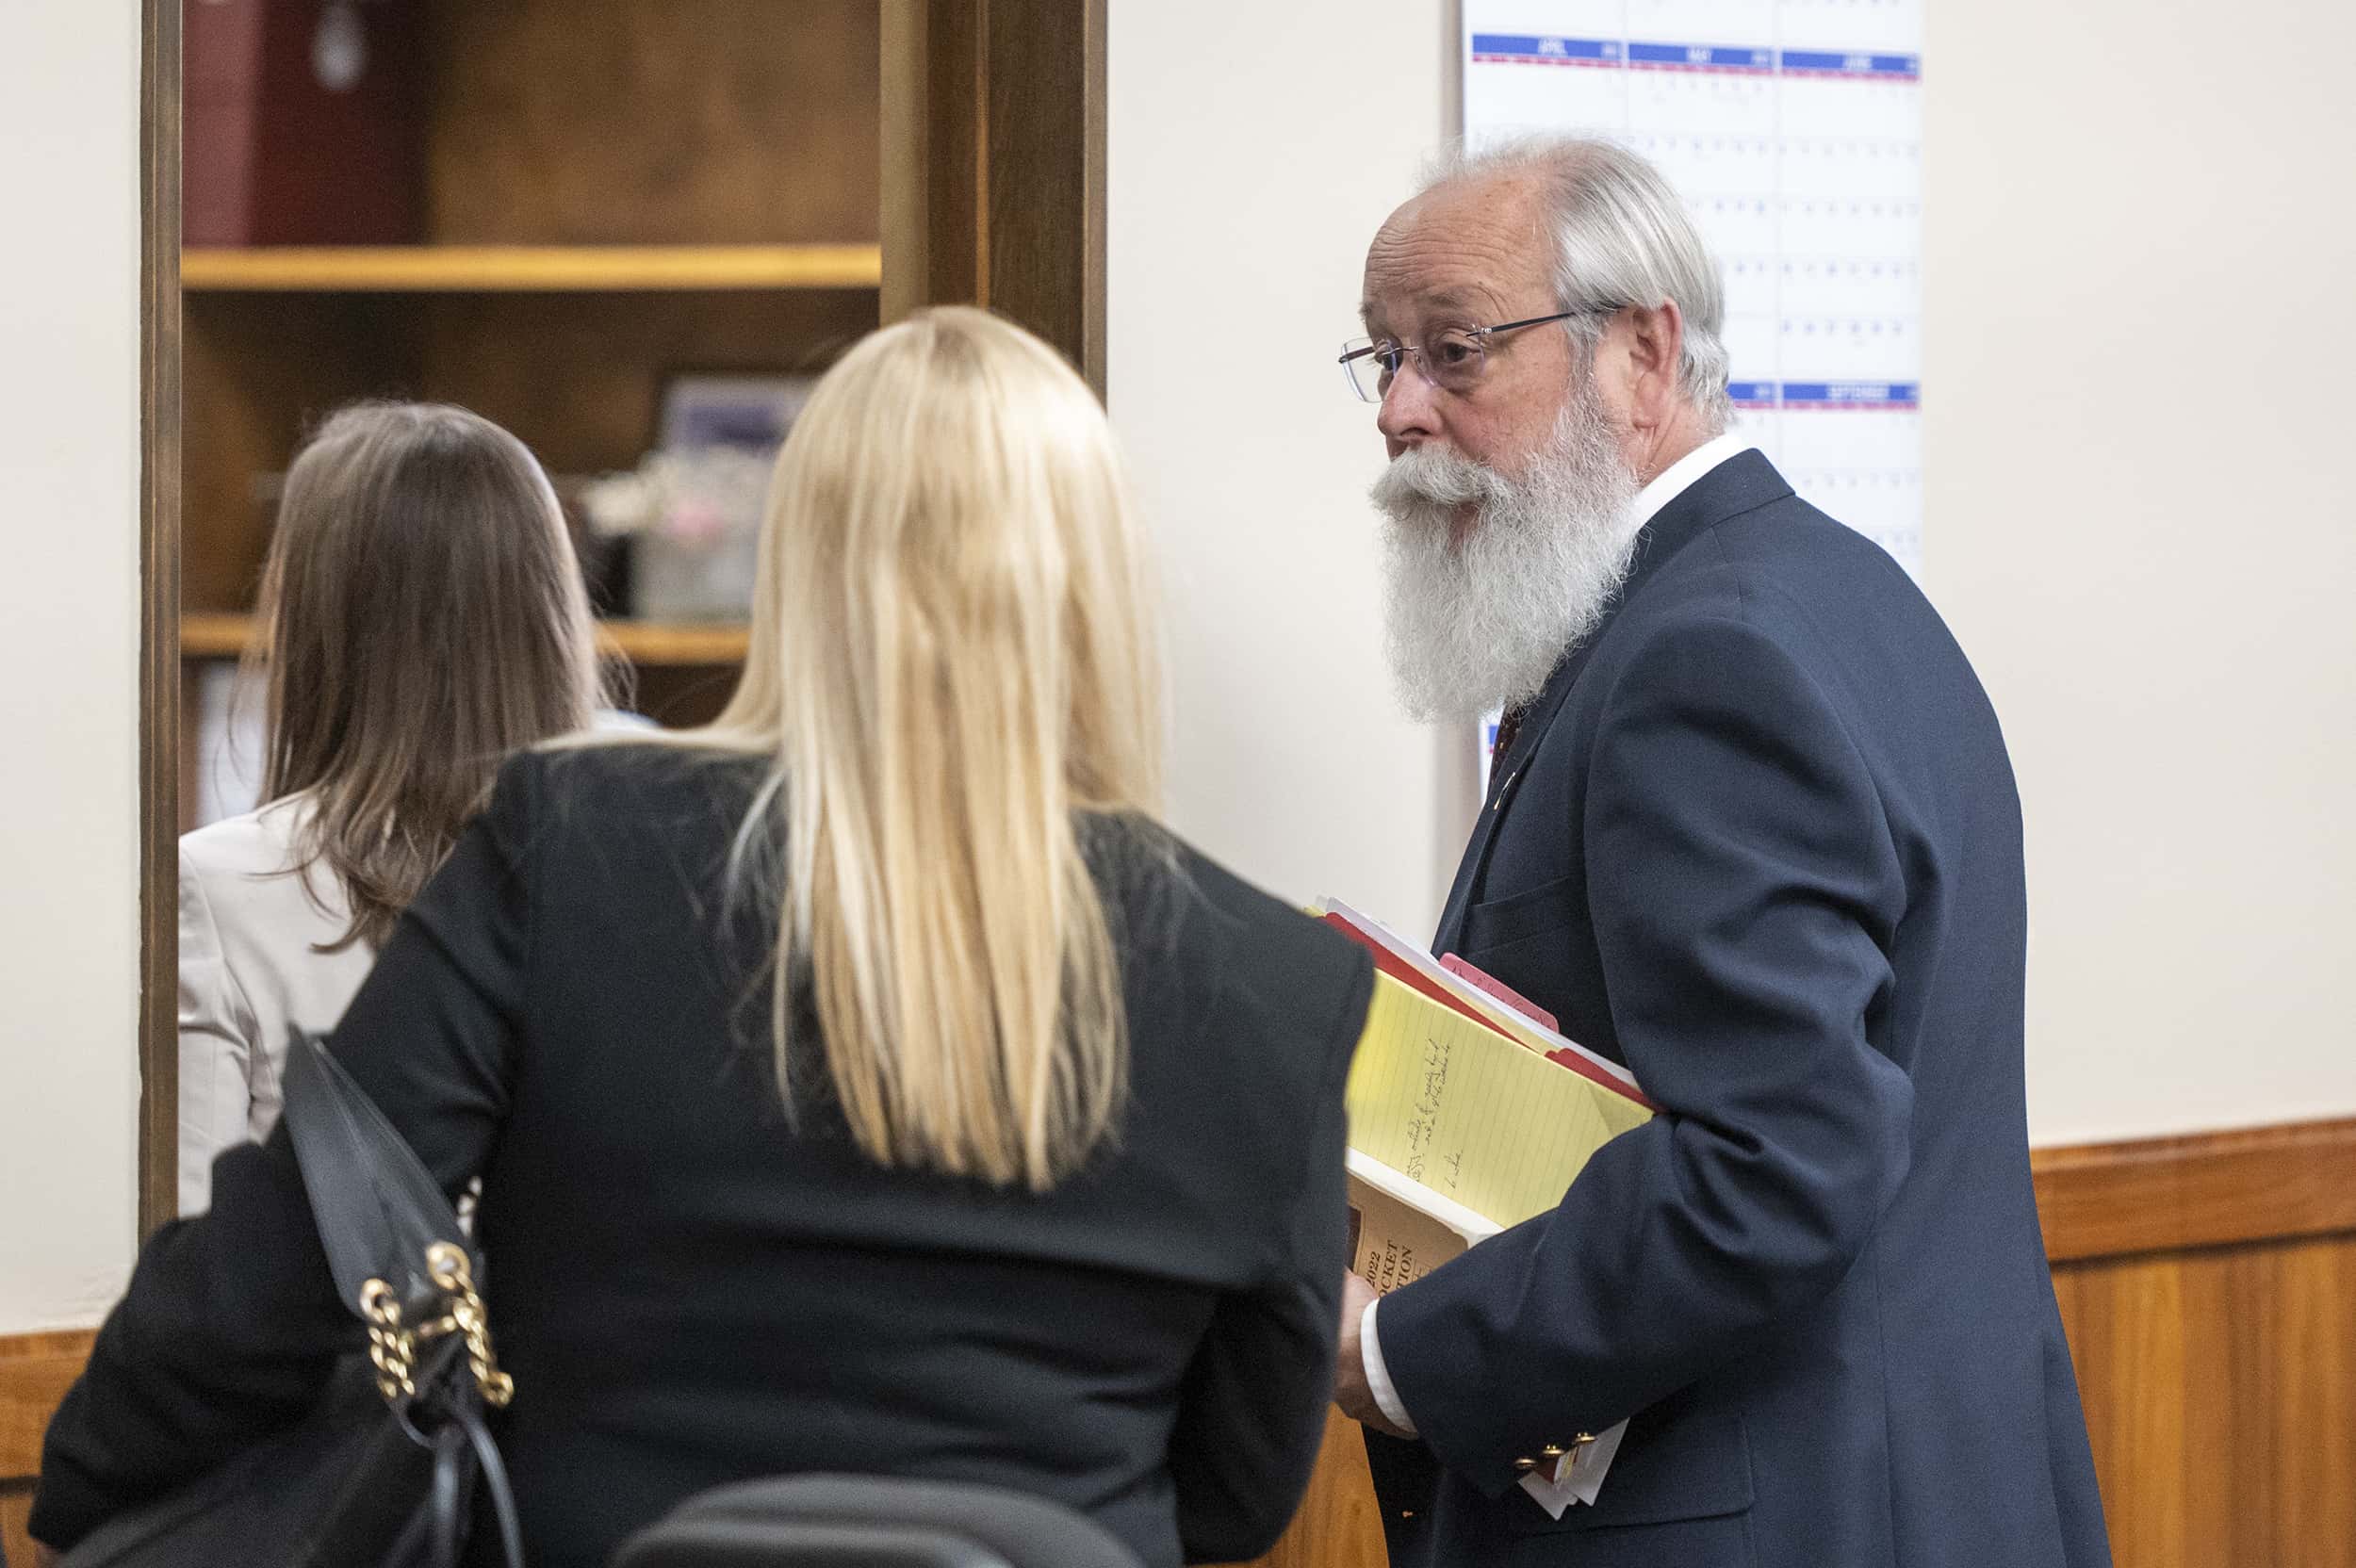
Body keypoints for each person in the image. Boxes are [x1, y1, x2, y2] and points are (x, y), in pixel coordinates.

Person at [33, 308, 1374, 1568]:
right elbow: (1241, 1493)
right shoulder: (1285, 993)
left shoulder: (570, 844)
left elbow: (300, 1258)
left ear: (797, 566)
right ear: (1106, 596)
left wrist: (82, 1486)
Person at [1329, 139, 2112, 1567]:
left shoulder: (1707, 655)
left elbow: (1776, 1164)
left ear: (1642, 352)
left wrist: (1396, 1355)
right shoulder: (1824, 590)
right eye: (1379, 359)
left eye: (1454, 351)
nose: (1398, 411)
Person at [173, 400, 608, 1216]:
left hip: (354, 1341)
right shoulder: (643, 874)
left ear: (312, 620)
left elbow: (201, 1267)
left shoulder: (217, 886)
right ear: (552, 616)